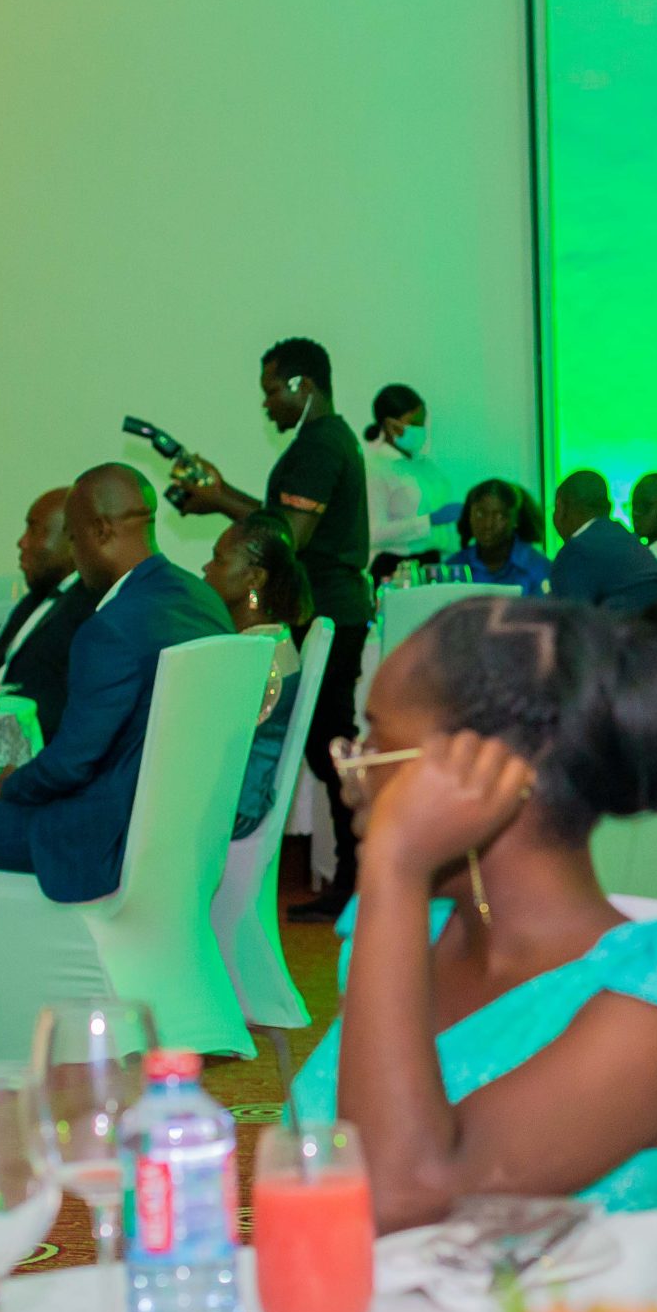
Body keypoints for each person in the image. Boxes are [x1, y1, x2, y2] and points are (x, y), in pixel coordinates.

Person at [288, 596, 657, 1226]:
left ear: (485, 769)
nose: (352, 770)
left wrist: (394, 866)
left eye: (376, 740)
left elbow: (395, 1197)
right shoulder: (419, 934)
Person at [0, 465, 233, 1071]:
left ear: (98, 532)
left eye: (74, 538)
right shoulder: (198, 599)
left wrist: (14, 783)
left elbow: (71, 763)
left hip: (97, 835)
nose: (73, 553)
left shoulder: (110, 626)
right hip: (171, 833)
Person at [173, 337, 374, 923]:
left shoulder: (319, 446)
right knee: (328, 750)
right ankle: (355, 885)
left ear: (301, 386)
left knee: (332, 753)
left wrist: (220, 499)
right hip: (333, 605)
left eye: (270, 391)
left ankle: (358, 886)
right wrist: (220, 499)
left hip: (330, 604)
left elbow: (288, 537)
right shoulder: (324, 441)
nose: (265, 404)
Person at [201, 513, 313, 840]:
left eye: (218, 560)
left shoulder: (256, 657)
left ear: (254, 578)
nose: (206, 569)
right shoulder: (270, 638)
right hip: (239, 797)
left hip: (233, 808)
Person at [0, 487, 97, 740]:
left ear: (72, 539)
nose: (22, 542)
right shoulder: (34, 601)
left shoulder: (89, 607)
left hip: (30, 743)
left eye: (34, 529)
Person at [361, 382, 459, 581]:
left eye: (422, 422)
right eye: (414, 423)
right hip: (395, 568)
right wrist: (427, 521)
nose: (420, 429)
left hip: (434, 563)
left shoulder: (426, 466)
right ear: (391, 425)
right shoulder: (375, 468)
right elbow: (372, 533)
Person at [549, 471, 657, 613]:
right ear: (609, 508)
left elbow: (569, 621)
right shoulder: (630, 541)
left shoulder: (575, 552)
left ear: (561, 508)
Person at [447, 478, 554, 593]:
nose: (488, 524)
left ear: (516, 519)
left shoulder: (539, 567)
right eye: (480, 514)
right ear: (469, 516)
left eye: (499, 516)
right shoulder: (453, 568)